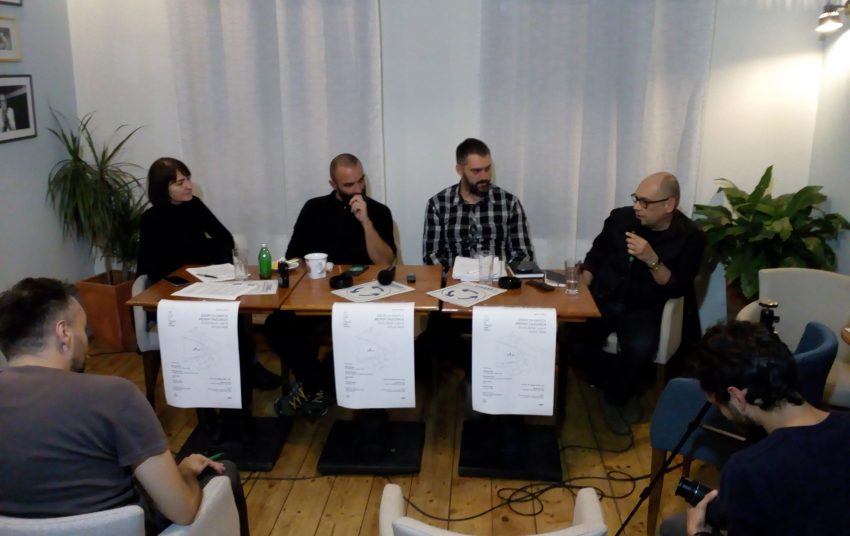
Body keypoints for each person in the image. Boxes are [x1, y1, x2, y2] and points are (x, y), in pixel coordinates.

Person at [0, 278, 250, 536]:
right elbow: (183, 510)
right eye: (83, 330)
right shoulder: (115, 396)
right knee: (225, 471)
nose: (88, 346)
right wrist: (185, 473)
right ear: (64, 333)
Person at [660, 321, 850, 536]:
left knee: (675, 527)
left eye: (718, 404)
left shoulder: (748, 469)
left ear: (736, 397)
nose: (721, 412)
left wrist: (697, 533)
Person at [568, 172, 705, 435]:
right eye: (636, 198)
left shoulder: (691, 237)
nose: (637, 207)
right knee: (575, 342)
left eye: (645, 202)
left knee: (641, 348)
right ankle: (621, 388)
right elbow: (596, 254)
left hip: (645, 305)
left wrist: (651, 258)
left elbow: (678, 287)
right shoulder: (621, 218)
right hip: (605, 296)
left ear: (669, 204)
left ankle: (614, 398)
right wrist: (583, 285)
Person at [265, 153, 396, 417]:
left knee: (363, 334)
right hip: (317, 297)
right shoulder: (314, 209)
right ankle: (321, 386)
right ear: (333, 184)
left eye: (361, 181)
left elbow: (385, 261)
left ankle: (312, 386)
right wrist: (314, 269)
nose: (358, 189)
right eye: (349, 185)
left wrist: (365, 222)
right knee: (276, 325)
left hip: (361, 300)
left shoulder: (379, 212)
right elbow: (293, 256)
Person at [137, 156, 280, 391]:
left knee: (234, 309)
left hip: (205, 284)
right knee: (221, 314)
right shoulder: (151, 219)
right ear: (163, 188)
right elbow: (153, 266)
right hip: (172, 293)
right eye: (180, 182)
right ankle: (226, 378)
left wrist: (200, 257)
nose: (188, 186)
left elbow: (224, 238)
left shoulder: (194, 206)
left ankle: (245, 371)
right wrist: (201, 254)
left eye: (188, 179)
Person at [422, 137, 534, 270]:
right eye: (476, 171)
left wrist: (504, 277)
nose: (484, 177)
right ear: (459, 170)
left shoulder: (509, 203)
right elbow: (431, 258)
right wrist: (454, 277)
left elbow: (523, 256)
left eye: (487, 169)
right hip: (454, 280)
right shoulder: (438, 204)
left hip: (499, 279)